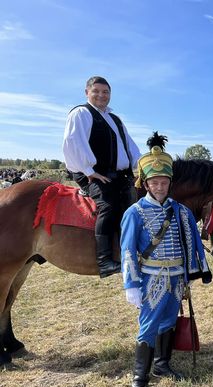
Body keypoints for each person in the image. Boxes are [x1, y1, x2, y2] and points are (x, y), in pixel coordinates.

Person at [119, 132, 212, 387]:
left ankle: (162, 364)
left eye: (164, 182)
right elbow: (127, 250)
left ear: (170, 182)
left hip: (177, 279)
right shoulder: (134, 213)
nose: (160, 187)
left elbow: (192, 242)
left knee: (169, 321)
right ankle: (139, 383)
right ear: (146, 183)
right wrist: (131, 285)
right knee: (148, 327)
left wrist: (193, 273)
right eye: (154, 182)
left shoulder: (182, 211)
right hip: (151, 279)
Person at [63, 76, 141, 278]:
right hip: (92, 174)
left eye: (105, 92)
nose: (101, 95)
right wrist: (89, 171)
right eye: (96, 91)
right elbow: (72, 143)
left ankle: (131, 251)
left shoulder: (115, 119)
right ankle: (104, 260)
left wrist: (143, 165)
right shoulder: (81, 113)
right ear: (86, 92)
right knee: (108, 205)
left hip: (119, 175)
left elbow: (130, 148)